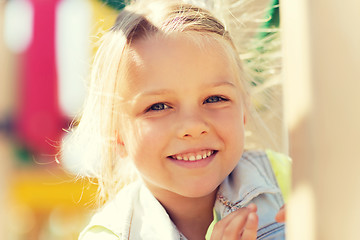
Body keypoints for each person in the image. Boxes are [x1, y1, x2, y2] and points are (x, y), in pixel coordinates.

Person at [64, 0, 290, 239]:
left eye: (214, 99)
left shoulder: (290, 180)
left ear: (244, 108)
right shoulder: (112, 234)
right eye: (159, 106)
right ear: (117, 135)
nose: (193, 126)